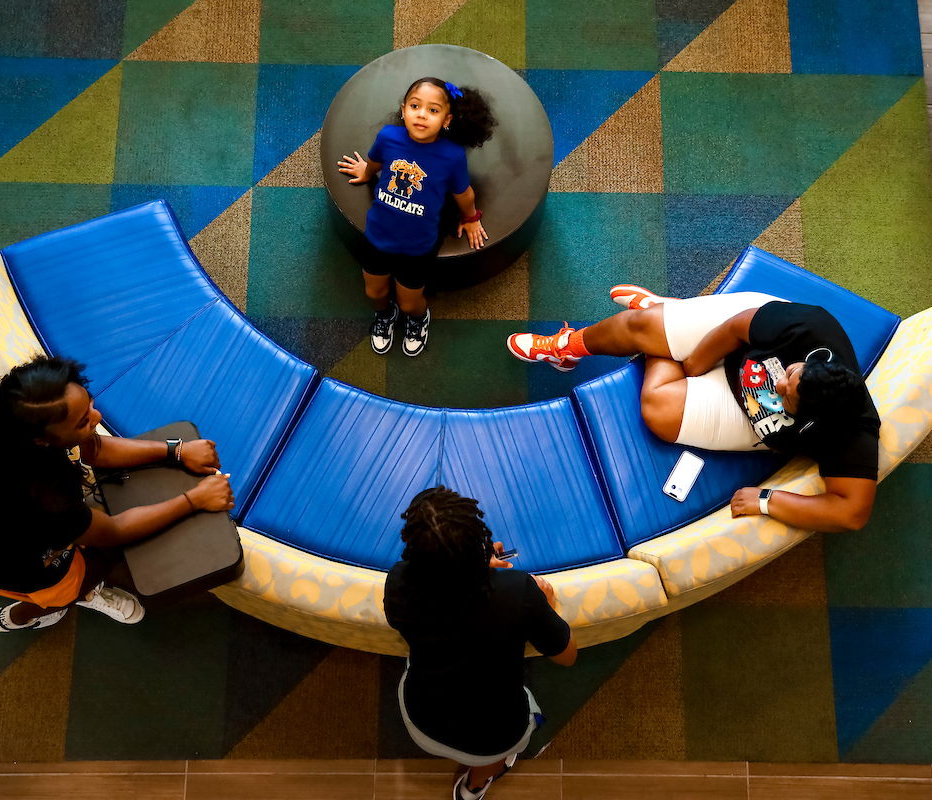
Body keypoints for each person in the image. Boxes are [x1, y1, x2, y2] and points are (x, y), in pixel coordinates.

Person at [506, 285, 880, 533]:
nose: (781, 382)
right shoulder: (811, 329)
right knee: (638, 325)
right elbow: (736, 328)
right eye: (792, 373)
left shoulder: (852, 430)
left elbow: (852, 512)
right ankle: (568, 347)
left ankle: (664, 314)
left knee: (657, 411)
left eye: (787, 395)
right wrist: (691, 363)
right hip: (739, 336)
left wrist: (768, 501)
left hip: (754, 417)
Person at [0, 355, 235, 632]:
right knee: (99, 564)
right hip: (9, 564)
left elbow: (96, 449)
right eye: (83, 422)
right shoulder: (47, 498)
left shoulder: (17, 438)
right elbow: (115, 531)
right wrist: (195, 499)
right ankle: (24, 615)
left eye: (89, 403)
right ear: (42, 440)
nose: (97, 417)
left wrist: (177, 450)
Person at [383, 487, 577, 800]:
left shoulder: (397, 582)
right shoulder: (519, 593)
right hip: (493, 738)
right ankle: (475, 785)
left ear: (411, 544)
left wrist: (471, 566)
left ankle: (475, 785)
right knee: (500, 749)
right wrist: (548, 606)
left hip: (419, 717)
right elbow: (567, 656)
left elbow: (442, 606)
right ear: (481, 542)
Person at [338, 76, 497, 357]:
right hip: (377, 238)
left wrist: (471, 218)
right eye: (415, 106)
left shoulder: (452, 156)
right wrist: (366, 172)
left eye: (433, 110)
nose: (422, 114)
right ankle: (385, 316)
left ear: (447, 120)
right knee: (375, 294)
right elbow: (375, 160)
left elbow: (465, 194)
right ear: (403, 110)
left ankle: (416, 320)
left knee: (410, 303)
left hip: (418, 247)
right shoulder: (388, 136)